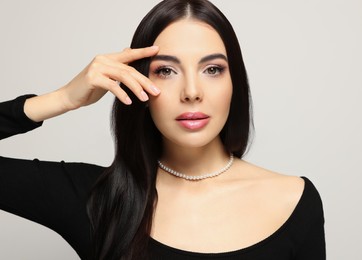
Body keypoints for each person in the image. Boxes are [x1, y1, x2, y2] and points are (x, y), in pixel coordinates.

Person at [0, 0, 326, 259]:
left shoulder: (293, 200)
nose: (192, 91)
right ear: (137, 82)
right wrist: (62, 98)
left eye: (213, 69)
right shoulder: (97, 199)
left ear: (234, 83)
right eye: (167, 71)